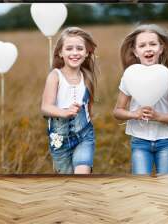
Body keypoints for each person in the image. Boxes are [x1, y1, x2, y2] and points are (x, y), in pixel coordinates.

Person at [113, 24, 168, 175]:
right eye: (142, 45)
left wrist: (159, 117)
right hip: (139, 141)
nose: (148, 48)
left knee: (165, 184)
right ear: (135, 52)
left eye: (153, 44)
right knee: (141, 184)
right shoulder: (130, 76)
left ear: (161, 48)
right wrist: (134, 114)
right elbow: (117, 111)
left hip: (166, 141)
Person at [41, 27, 99, 174]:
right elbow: (46, 107)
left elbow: (88, 105)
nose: (74, 53)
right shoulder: (55, 76)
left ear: (87, 53)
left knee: (82, 174)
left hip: (84, 135)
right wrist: (64, 112)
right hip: (60, 139)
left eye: (79, 48)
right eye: (69, 48)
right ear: (60, 52)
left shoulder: (86, 77)